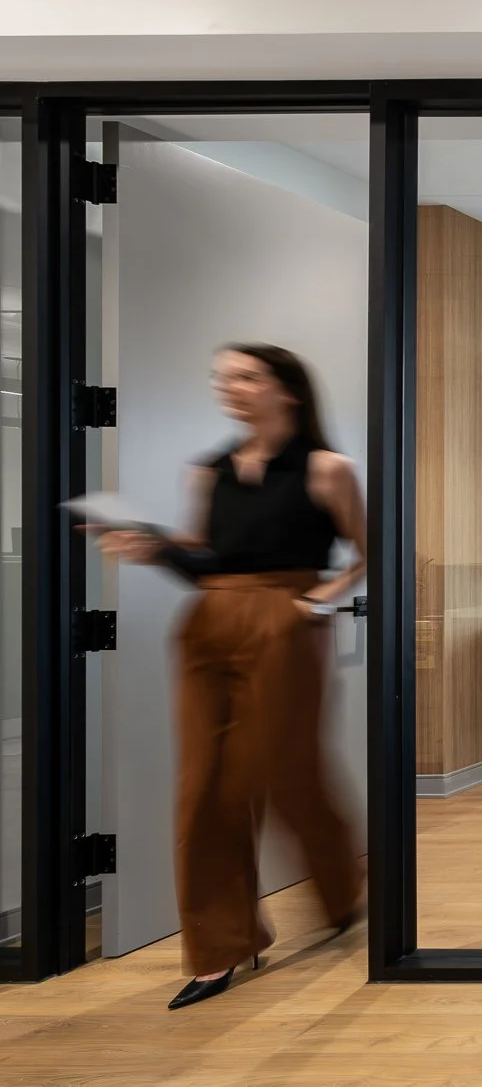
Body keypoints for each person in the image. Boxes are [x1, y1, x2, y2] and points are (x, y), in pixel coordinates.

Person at [91, 344, 364, 1010]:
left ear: (286, 390)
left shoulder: (328, 470)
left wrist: (315, 602)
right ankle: (219, 950)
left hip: (286, 623)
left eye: (246, 375)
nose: (230, 387)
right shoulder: (208, 470)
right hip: (208, 623)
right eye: (222, 377)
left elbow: (370, 551)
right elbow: (207, 560)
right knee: (204, 785)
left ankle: (343, 889)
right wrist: (151, 544)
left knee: (284, 771)